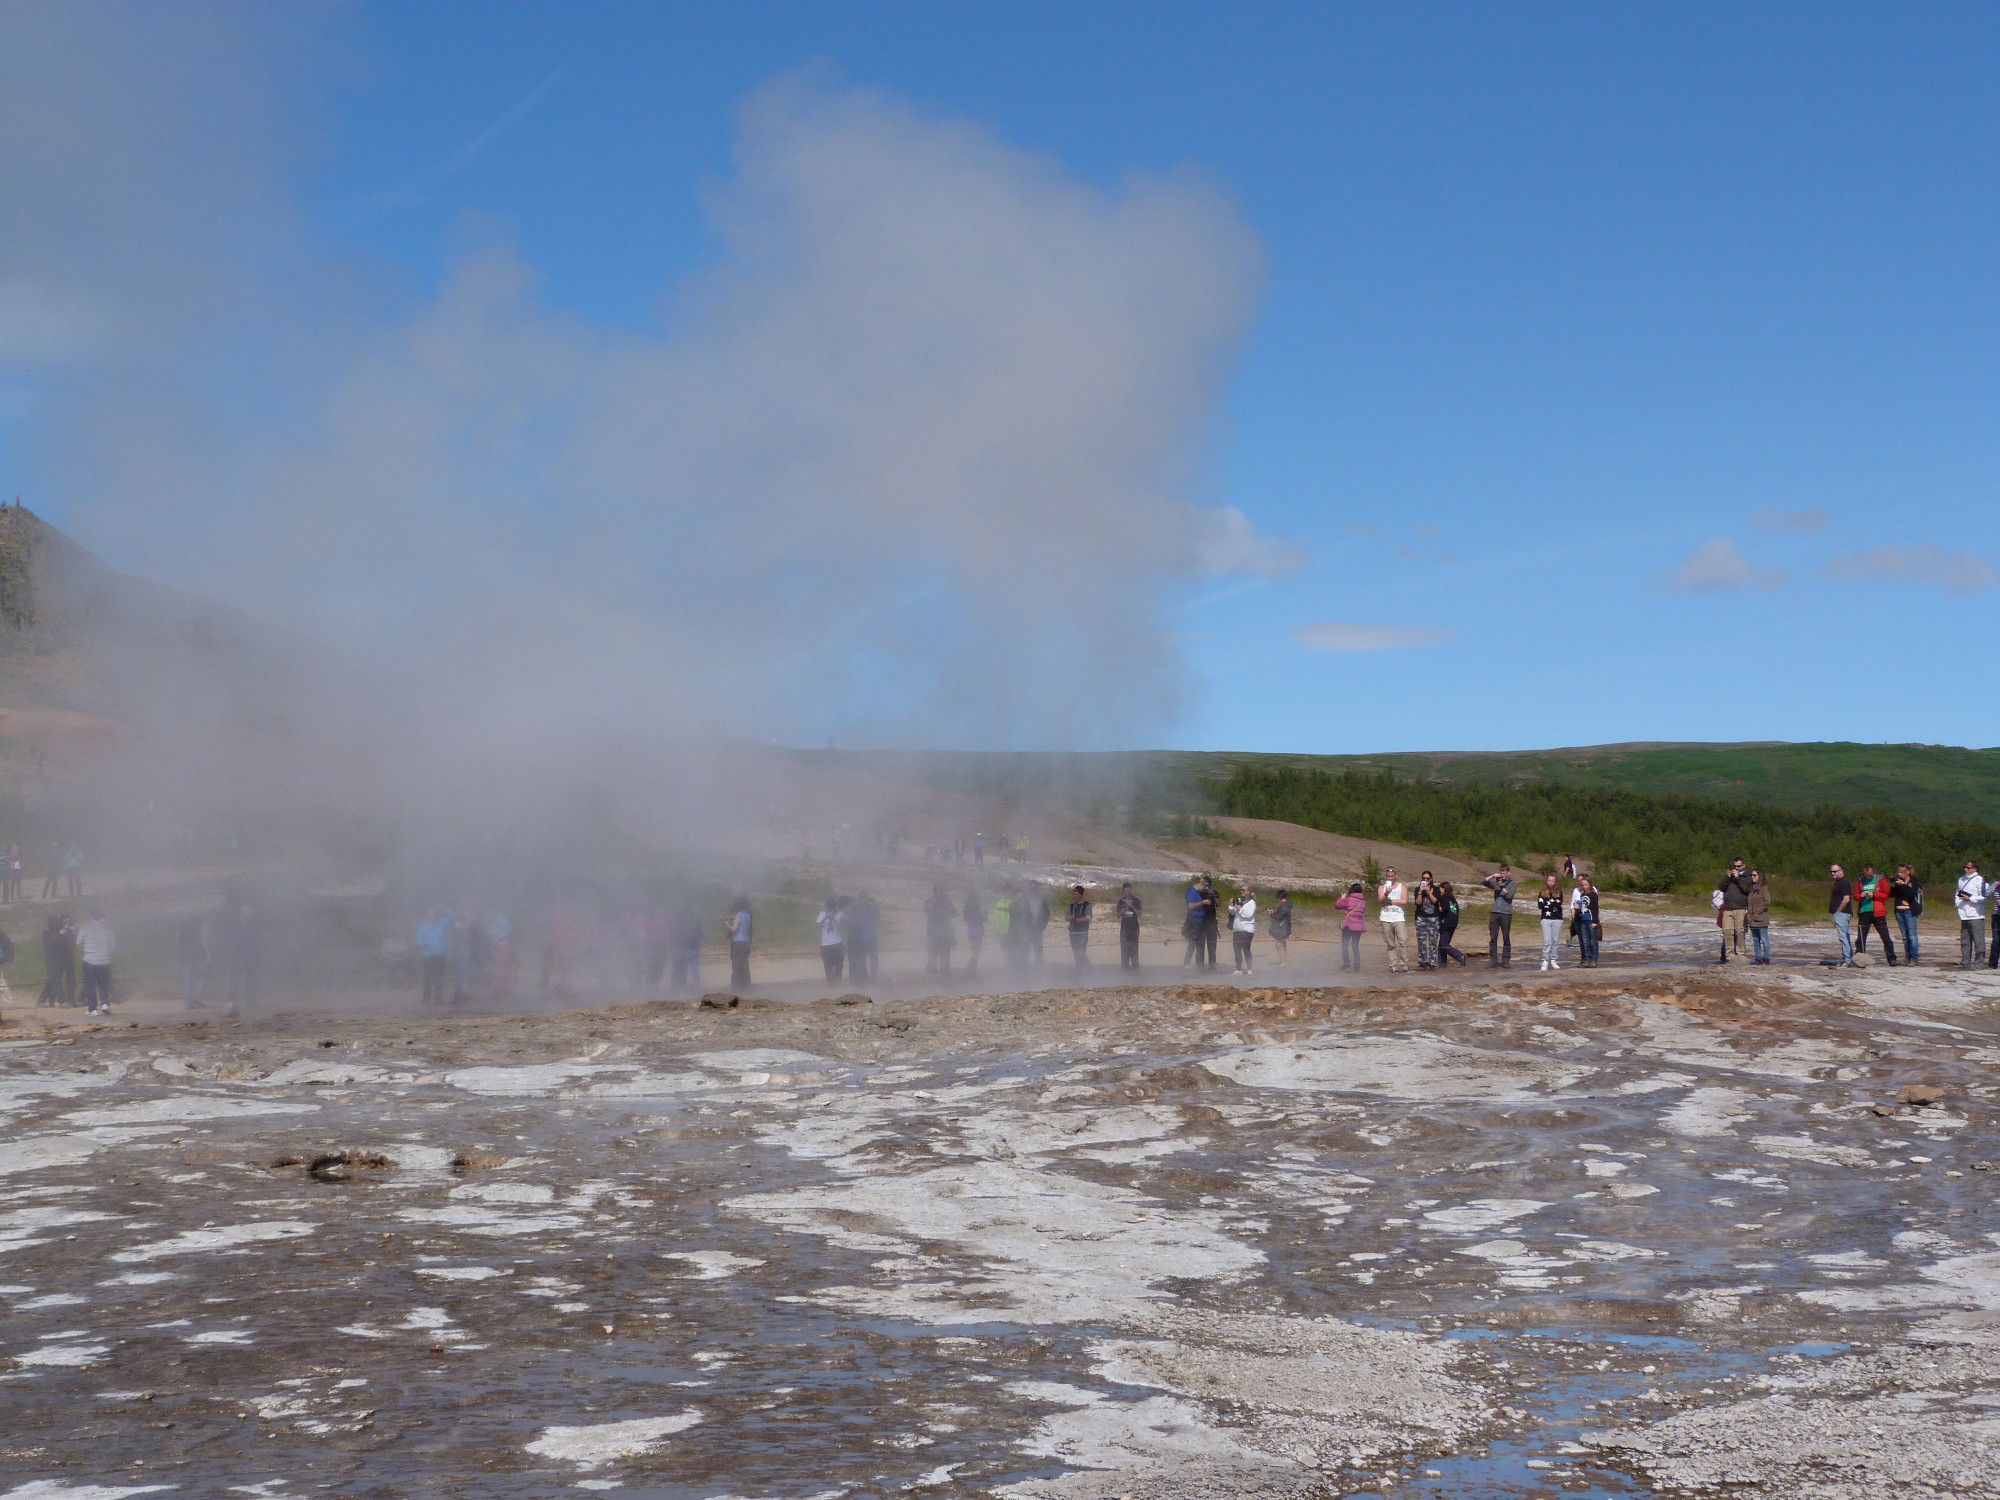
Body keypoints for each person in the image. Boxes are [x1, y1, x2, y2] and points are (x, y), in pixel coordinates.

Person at [1853, 863, 1897, 965]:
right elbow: (1855, 895)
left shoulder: (1880, 880)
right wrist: (1861, 895)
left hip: (1878, 912)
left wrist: (1874, 895)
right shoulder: (1860, 881)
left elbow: (1886, 895)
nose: (1867, 876)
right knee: (1861, 937)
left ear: (1873, 871)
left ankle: (1891, 958)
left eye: (1869, 874)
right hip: (1864, 911)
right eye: (1866, 874)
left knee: (1885, 936)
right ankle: (1859, 958)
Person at [225, 901, 263, 1014]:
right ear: (241, 913)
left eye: (250, 912)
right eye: (246, 912)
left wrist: (257, 954)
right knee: (234, 980)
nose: (248, 914)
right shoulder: (235, 925)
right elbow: (232, 941)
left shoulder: (254, 925)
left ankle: (252, 1001)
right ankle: (231, 1001)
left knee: (251, 979)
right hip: (237, 956)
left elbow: (258, 941)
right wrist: (235, 954)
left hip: (251, 956)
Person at [77, 909, 114, 1015]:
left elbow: (78, 943)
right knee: (103, 984)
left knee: (90, 985)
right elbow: (113, 944)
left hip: (89, 961)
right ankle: (105, 1003)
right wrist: (107, 954)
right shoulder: (107, 929)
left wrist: (81, 954)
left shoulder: (85, 928)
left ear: (90, 917)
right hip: (104, 961)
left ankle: (93, 1009)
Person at [416, 905, 452, 1007]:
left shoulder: (442, 924)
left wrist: (442, 907)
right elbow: (418, 939)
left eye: (436, 914)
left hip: (439, 954)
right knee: (427, 977)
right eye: (432, 914)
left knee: (439, 977)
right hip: (427, 955)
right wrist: (425, 943)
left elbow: (451, 915)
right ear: (428, 915)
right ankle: (426, 999)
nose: (434, 916)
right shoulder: (423, 926)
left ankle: (438, 999)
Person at [1481, 864, 1516, 968]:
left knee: (1506, 937)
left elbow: (1509, 895)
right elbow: (1483, 882)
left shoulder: (1512, 883)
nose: (1502, 875)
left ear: (1508, 872)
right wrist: (1492, 876)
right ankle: (1493, 959)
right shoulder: (1496, 882)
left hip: (1506, 913)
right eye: (1501, 873)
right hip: (1495, 912)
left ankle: (1506, 960)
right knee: (1493, 937)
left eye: (1504, 873)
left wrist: (1501, 886)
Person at [1377, 867, 1409, 973]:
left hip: (1398, 917)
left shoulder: (1402, 887)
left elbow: (1404, 901)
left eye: (1392, 876)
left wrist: (1390, 901)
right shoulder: (1382, 887)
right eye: (1388, 876)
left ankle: (1405, 965)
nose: (1390, 878)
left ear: (1396, 876)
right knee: (1390, 943)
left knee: (1403, 941)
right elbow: (1381, 901)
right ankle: (1393, 965)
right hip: (1386, 918)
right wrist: (1386, 893)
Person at [1955, 860, 1987, 969]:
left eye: (1968, 868)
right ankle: (1965, 962)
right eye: (1965, 867)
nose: (1965, 869)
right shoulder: (1961, 879)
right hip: (1964, 914)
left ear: (1975, 868)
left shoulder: (1980, 880)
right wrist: (1958, 902)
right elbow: (1957, 892)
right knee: (1965, 940)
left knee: (1978, 941)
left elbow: (1985, 897)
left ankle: (1979, 963)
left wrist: (1970, 899)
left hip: (1976, 915)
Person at [1719, 859, 1753, 961]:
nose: (1736, 868)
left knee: (1740, 931)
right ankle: (1729, 955)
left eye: (1738, 866)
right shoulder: (1730, 877)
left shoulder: (1747, 877)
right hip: (1728, 908)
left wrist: (1738, 878)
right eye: (1735, 866)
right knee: (1728, 932)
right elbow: (1721, 888)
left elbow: (1746, 889)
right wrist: (1727, 877)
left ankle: (1741, 953)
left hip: (1741, 908)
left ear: (1743, 865)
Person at [38, 913, 74, 1007]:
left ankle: (41, 1000)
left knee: (52, 980)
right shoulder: (46, 932)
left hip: (59, 960)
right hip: (50, 961)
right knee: (57, 980)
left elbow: (65, 944)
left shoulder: (57, 931)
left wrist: (67, 931)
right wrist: (59, 934)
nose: (56, 924)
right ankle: (62, 1001)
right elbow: (51, 944)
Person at [1891, 865, 1923, 967]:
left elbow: (1911, 894)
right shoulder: (1898, 883)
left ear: (1907, 872)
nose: (1900, 874)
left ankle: (1914, 958)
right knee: (1905, 937)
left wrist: (1904, 885)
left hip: (1910, 911)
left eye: (1902, 872)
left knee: (1912, 936)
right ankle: (1907, 957)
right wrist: (1894, 885)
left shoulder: (1913, 881)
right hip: (1899, 911)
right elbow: (1891, 895)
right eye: (1899, 872)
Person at [1569, 875, 1602, 967]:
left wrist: (1595, 921)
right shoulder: (1582, 895)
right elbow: (1582, 908)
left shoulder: (1593, 895)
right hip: (1583, 920)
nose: (1584, 886)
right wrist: (1577, 908)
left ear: (1590, 885)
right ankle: (1587, 959)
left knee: (1593, 941)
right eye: (1582, 885)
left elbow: (1596, 909)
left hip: (1591, 920)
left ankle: (1593, 959)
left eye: (1586, 885)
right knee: (1585, 941)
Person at [670, 903, 703, 991]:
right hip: (694, 948)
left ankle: (681, 987)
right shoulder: (696, 922)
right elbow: (701, 934)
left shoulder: (680, 922)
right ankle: (697, 985)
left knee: (682, 968)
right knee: (694, 967)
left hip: (683, 949)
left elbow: (675, 936)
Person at [1412, 872, 1442, 971]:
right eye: (1424, 878)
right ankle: (1423, 961)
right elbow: (1417, 902)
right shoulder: (1418, 889)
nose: (1426, 880)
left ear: (1431, 879)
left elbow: (1435, 901)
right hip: (1421, 917)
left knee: (1433, 941)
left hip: (1433, 917)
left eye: (1428, 878)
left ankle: (1432, 962)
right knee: (1422, 941)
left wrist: (1429, 892)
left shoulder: (1436, 889)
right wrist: (1421, 891)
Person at [924, 884, 956, 975]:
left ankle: (944, 970)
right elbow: (927, 910)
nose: (940, 893)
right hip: (933, 930)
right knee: (933, 952)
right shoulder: (929, 901)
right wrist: (935, 899)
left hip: (946, 930)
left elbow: (953, 914)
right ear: (934, 892)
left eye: (941, 891)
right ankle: (932, 969)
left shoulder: (947, 902)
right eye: (937, 891)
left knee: (945, 952)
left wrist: (945, 901)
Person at [1536, 876, 1565, 971]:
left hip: (1557, 918)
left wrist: (1548, 904)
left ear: (1555, 882)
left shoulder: (1559, 892)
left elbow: (1559, 903)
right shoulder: (1542, 892)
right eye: (1549, 880)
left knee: (1555, 940)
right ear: (1546, 881)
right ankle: (1545, 960)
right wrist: (1551, 904)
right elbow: (1540, 905)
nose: (1550, 882)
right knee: (1547, 940)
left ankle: (1553, 959)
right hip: (1546, 918)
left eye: (1552, 881)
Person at [1335, 882, 1366, 970]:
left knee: (1345, 944)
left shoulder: (1348, 899)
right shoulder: (1363, 902)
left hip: (1348, 924)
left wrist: (1342, 898)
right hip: (1359, 925)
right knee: (1355, 945)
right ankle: (1357, 963)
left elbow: (1337, 906)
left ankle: (1347, 962)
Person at [1830, 863, 1856, 967]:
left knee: (1843, 936)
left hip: (1843, 913)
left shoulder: (1844, 882)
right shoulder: (1838, 882)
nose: (1833, 873)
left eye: (1835, 871)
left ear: (1841, 871)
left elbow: (1846, 899)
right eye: (1831, 871)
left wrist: (1838, 911)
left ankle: (1848, 959)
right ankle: (1848, 957)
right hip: (1840, 913)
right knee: (1844, 936)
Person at [816, 896, 846, 981]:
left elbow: (840, 928)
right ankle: (830, 984)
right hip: (826, 944)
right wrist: (825, 917)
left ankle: (838, 983)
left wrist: (833, 918)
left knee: (838, 965)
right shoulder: (822, 913)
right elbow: (818, 926)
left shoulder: (840, 914)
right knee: (827, 964)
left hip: (837, 943)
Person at [1228, 884, 1256, 974]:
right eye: (1241, 890)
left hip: (1247, 930)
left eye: (1243, 890)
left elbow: (1248, 915)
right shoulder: (1239, 900)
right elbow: (1232, 912)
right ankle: (1238, 969)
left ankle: (1249, 969)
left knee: (1246, 949)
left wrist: (1239, 908)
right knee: (1236, 949)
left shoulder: (1252, 903)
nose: (1241, 891)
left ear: (1248, 892)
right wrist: (1232, 905)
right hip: (1237, 929)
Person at [1746, 869, 1772, 964]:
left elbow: (1767, 901)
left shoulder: (1764, 888)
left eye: (1754, 875)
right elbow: (1748, 902)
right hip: (1752, 919)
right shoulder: (1750, 890)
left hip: (1761, 918)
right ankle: (1758, 958)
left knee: (1764, 939)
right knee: (1755, 939)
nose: (1752, 877)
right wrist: (1748, 910)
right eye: (1751, 875)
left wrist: (1758, 910)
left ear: (1759, 876)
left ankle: (1767, 958)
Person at [1437, 882, 1466, 966]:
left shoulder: (1443, 897)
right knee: (1442, 945)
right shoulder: (1452, 898)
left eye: (1440, 888)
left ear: (1443, 888)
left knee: (1443, 944)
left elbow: (1444, 909)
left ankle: (1460, 956)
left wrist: (1436, 909)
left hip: (1446, 923)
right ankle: (1442, 965)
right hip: (1454, 922)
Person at [727, 896, 753, 988]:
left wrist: (727, 923)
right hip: (746, 942)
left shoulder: (739, 914)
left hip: (738, 943)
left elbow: (734, 929)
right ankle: (746, 986)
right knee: (745, 965)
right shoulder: (748, 915)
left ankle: (736, 987)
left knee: (736, 966)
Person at [1195, 877, 1220, 970]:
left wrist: (1214, 895)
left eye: (1204, 883)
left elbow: (1219, 904)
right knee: (1200, 946)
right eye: (1202, 883)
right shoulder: (1198, 892)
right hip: (1201, 923)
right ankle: (1199, 967)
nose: (1203, 885)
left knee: (1212, 947)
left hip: (1211, 922)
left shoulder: (1214, 892)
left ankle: (1212, 967)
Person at [487, 913, 515, 998]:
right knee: (501, 967)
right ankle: (505, 989)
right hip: (496, 947)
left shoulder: (499, 918)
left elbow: (509, 929)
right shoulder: (488, 922)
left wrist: (498, 938)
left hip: (502, 945)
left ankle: (499, 989)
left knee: (500, 967)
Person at [1116, 883, 1142, 970]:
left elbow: (1140, 914)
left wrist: (1132, 907)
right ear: (1123, 891)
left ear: (1131, 890)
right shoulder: (1121, 901)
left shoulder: (1136, 900)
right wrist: (1124, 910)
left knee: (1134, 952)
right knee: (1124, 952)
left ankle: (1135, 972)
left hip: (1134, 929)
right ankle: (1124, 972)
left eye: (1128, 890)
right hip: (1124, 930)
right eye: (1125, 890)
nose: (1127, 892)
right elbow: (1118, 915)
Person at [1066, 884, 1093, 969]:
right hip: (1073, 933)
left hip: (1082, 933)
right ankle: (1079, 971)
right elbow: (1066, 917)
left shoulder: (1087, 905)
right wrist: (1071, 917)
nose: (1075, 896)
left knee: (1081, 953)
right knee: (1076, 953)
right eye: (1074, 894)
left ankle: (1088, 969)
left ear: (1081, 894)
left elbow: (1088, 917)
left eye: (1076, 894)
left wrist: (1077, 919)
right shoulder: (1071, 906)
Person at [1268, 889, 1293, 967]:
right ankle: (1283, 961)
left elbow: (1278, 918)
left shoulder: (1283, 906)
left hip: (1282, 928)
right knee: (1281, 944)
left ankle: (1284, 962)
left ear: (1280, 897)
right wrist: (1275, 912)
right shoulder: (1287, 905)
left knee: (1280, 945)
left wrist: (1271, 914)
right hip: (1284, 927)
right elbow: (1282, 915)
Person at [1025, 885, 1049, 967]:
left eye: (1035, 889)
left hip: (1038, 929)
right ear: (1029, 889)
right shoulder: (1025, 900)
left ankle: (1039, 969)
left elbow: (1046, 914)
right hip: (1026, 929)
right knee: (1025, 949)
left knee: (1038, 949)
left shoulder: (1042, 901)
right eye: (1031, 889)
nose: (1033, 891)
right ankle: (1024, 969)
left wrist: (1043, 926)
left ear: (1038, 890)